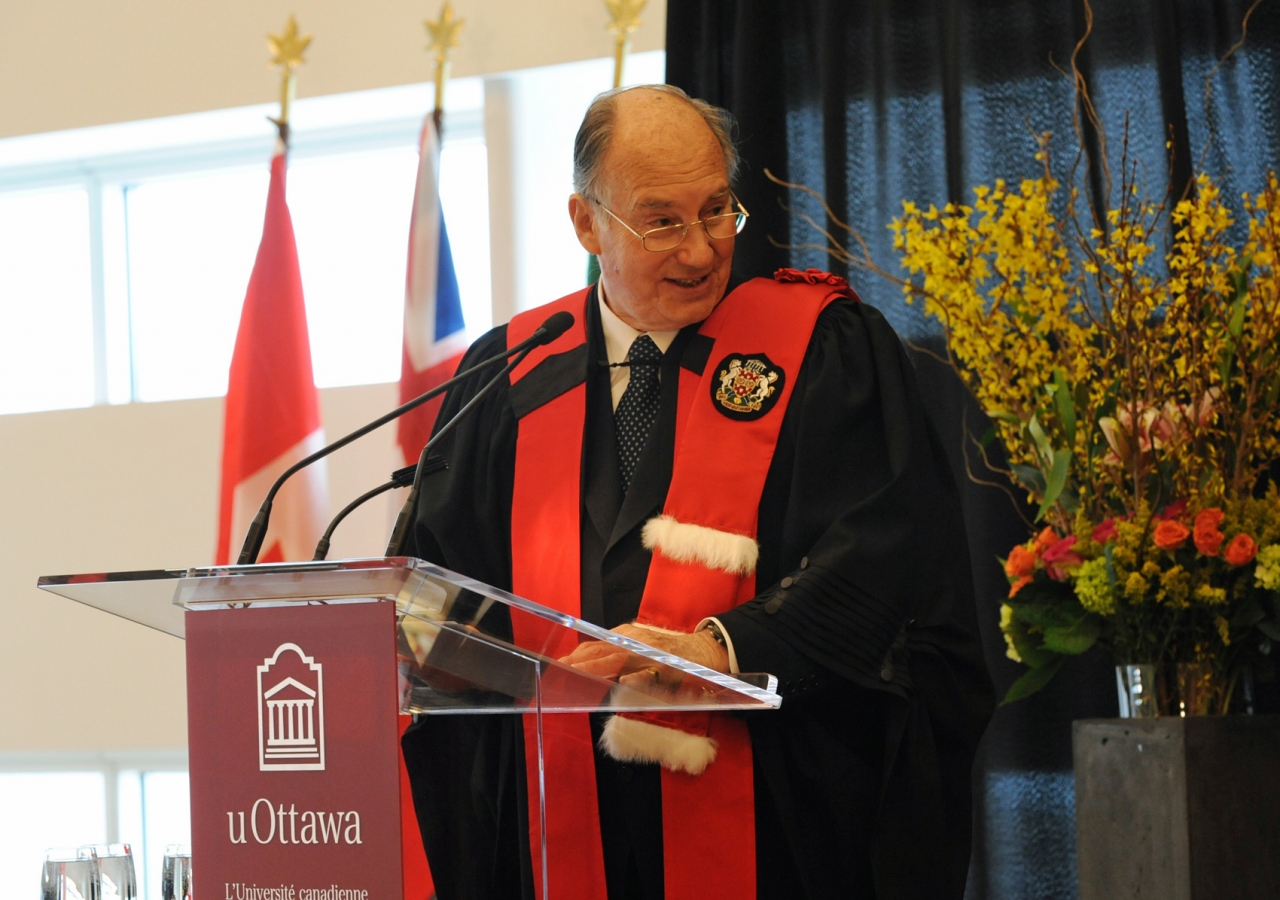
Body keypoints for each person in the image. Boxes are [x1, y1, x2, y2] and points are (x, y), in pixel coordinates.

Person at [401, 84, 994, 900]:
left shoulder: (822, 350)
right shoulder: (511, 374)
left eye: (718, 211)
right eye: (663, 220)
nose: (701, 250)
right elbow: (436, 583)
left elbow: (886, 556)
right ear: (586, 223)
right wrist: (422, 639)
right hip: (557, 826)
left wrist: (719, 649)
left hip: (773, 823)